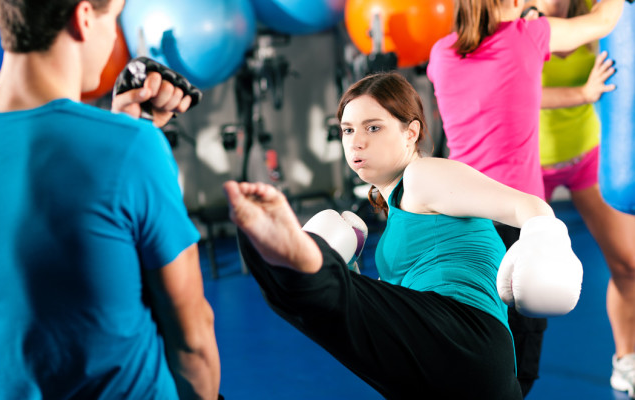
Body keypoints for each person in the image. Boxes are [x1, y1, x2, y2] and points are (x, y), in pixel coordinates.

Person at [223, 71, 583, 399]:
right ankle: (308, 267)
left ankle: (303, 261)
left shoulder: (423, 176)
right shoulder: (395, 211)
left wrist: (544, 236)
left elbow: (529, 207)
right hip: (460, 369)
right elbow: (386, 321)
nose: (356, 142)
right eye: (348, 129)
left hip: (464, 336)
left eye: (373, 127)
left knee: (313, 292)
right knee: (319, 297)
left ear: (410, 132)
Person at [0, 0, 220, 399]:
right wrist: (127, 140)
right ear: (84, 17)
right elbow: (193, 338)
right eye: (115, 18)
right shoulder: (134, 150)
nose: (115, 38)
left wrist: (120, 125)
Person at [426, 0, 626, 395]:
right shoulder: (527, 38)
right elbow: (606, 19)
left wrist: (580, 92)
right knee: (521, 354)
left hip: (460, 217)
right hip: (519, 224)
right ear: (515, 2)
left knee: (470, 334)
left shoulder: (441, 54)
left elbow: (516, 88)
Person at [523, 0, 635, 396]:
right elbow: (516, 91)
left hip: (588, 155)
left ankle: (626, 360)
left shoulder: (599, 7)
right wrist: (583, 92)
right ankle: (495, 371)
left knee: (629, 262)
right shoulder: (515, 14)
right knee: (505, 280)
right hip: (528, 163)